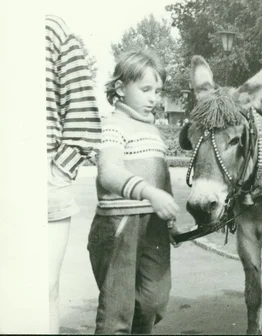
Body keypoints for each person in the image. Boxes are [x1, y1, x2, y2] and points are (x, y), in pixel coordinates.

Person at [88, 49, 180, 333]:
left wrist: (171, 221)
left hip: (153, 226)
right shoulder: (112, 126)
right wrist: (149, 194)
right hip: (118, 226)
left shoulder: (154, 132)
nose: (154, 98)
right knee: (118, 309)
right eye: (145, 89)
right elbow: (110, 173)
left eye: (158, 91)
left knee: (153, 302)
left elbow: (163, 181)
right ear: (120, 88)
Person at [46, 15, 101, 333]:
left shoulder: (51, 30)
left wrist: (56, 173)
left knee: (40, 292)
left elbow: (83, 114)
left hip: (39, 177)